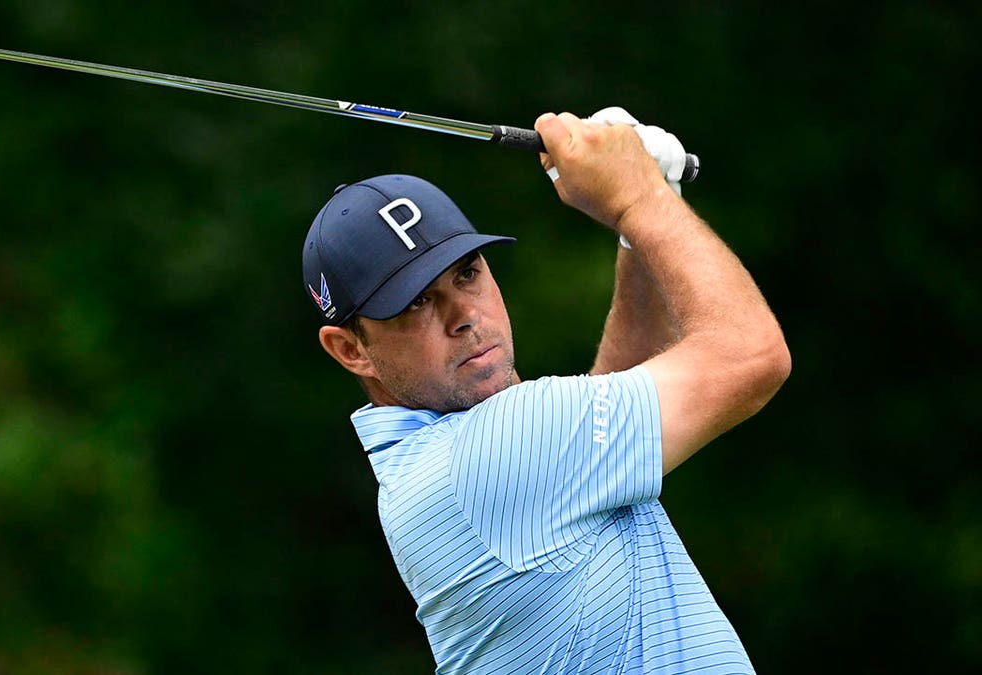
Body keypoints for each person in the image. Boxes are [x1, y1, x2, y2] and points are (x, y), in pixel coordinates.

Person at [301, 107, 790, 674]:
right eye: (415, 302)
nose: (464, 315)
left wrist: (642, 224)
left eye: (467, 274)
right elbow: (752, 357)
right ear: (350, 349)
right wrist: (638, 200)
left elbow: (606, 409)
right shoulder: (485, 454)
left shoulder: (459, 464)